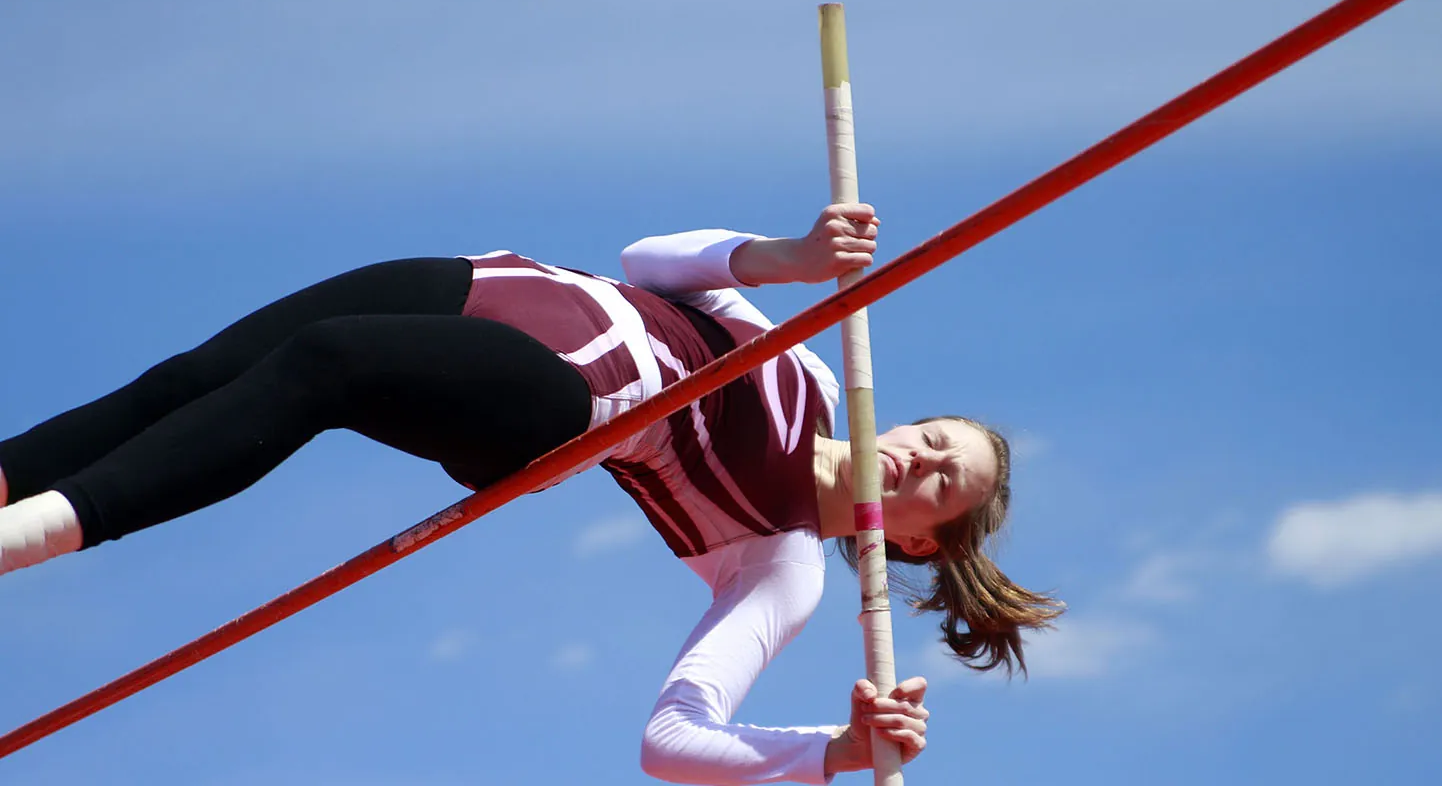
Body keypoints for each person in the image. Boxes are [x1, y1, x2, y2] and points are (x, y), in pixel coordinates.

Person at [0, 203, 1063, 784]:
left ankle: (28, 538)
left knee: (327, 362)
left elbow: (672, 743)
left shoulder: (779, 559)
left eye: (939, 482)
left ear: (923, 541)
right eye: (931, 438)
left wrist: (830, 753)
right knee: (187, 380)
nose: (917, 459)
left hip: (558, 399)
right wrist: (784, 255)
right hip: (479, 281)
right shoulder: (819, 375)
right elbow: (649, 256)